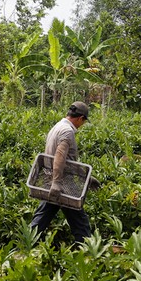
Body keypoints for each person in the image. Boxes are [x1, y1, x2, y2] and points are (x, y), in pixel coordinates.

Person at [29, 101, 96, 245]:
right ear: (80, 118)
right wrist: (57, 183)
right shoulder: (67, 131)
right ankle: (87, 251)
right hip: (63, 183)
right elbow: (59, 156)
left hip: (51, 179)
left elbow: (68, 161)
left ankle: (27, 243)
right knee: (79, 220)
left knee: (43, 215)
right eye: (83, 122)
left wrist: (87, 178)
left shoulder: (58, 126)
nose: (82, 125)